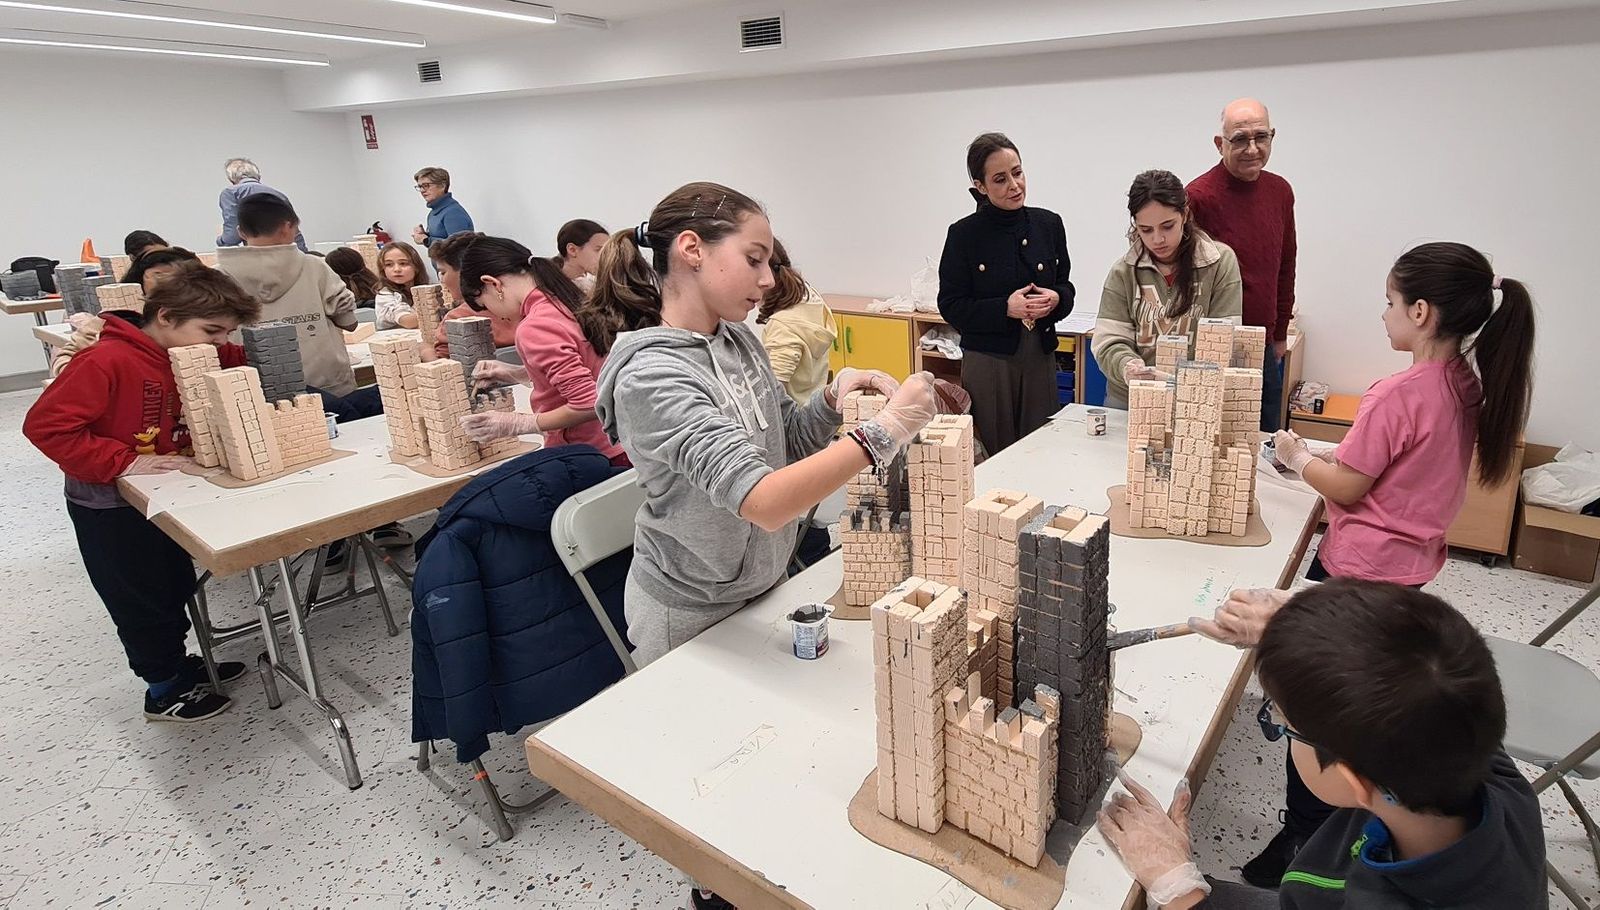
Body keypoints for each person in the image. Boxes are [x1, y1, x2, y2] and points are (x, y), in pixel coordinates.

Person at [1250, 242, 1536, 885]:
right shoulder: (1466, 382)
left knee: (1318, 708)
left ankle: (1301, 838)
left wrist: (1296, 455)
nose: (1382, 315)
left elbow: (1348, 487)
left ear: (1423, 311)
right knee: (1366, 699)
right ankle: (1341, 825)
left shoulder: (1398, 392)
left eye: (1388, 302)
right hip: (1410, 571)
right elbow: (1388, 467)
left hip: (1359, 566)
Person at [590, 181, 933, 667]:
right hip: (691, 613)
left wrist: (832, 399)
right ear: (692, 250)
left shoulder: (739, 341)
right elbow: (763, 502)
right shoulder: (651, 378)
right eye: (755, 260)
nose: (770, 279)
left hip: (764, 586)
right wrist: (887, 429)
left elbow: (786, 439)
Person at [1098, 580, 1546, 909]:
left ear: (1353, 780)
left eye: (1281, 724)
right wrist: (1306, 628)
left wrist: (1177, 886)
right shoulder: (1475, 758)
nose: (1278, 725)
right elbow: (1419, 655)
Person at [23, 269, 262, 722]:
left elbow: (230, 354)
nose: (218, 343)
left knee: (172, 584)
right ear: (167, 317)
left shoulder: (184, 350)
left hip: (159, 497)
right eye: (212, 331)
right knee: (139, 598)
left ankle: (179, 664)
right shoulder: (106, 361)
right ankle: (163, 688)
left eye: (226, 333)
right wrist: (123, 462)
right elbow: (45, 427)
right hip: (109, 506)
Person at [938, 132, 1074, 456]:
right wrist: (1005, 308)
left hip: (1039, 355)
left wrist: (1056, 299)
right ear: (980, 186)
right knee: (995, 455)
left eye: (1018, 172)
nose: (1015, 185)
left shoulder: (1048, 224)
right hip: (988, 361)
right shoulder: (963, 235)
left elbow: (1066, 286)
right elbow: (951, 305)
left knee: (1040, 448)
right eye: (1000, 179)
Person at [454, 236, 629, 466]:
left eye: (485, 305)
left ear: (493, 284)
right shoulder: (567, 300)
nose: (497, 315)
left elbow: (588, 403)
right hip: (622, 443)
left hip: (592, 456)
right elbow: (588, 367)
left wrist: (521, 423)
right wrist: (518, 372)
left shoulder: (535, 326)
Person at [1186, 99, 1295, 431]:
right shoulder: (1198, 196)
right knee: (1212, 439)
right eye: (1240, 139)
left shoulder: (1280, 191)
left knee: (1263, 440)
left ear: (1272, 137)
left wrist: (1278, 335)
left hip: (1263, 345)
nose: (1252, 148)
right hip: (1213, 348)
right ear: (1220, 144)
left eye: (1261, 137)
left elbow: (1285, 264)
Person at [1093, 170, 1242, 407]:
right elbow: (1108, 342)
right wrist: (1127, 366)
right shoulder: (1123, 272)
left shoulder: (1219, 262)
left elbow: (1223, 343)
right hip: (1131, 399)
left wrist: (1185, 384)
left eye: (1167, 226)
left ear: (1184, 215)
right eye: (1146, 230)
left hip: (1195, 399)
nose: (1158, 239)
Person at [51, 248, 204, 377]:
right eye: (160, 275)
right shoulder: (118, 315)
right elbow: (65, 358)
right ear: (140, 279)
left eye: (181, 277)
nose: (169, 283)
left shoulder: (207, 318)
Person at [757, 237, 836, 405]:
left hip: (795, 422)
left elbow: (776, 390)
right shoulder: (810, 297)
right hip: (815, 408)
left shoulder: (782, 325)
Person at [426, 231, 517, 360]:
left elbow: (445, 367)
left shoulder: (458, 318)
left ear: (464, 272)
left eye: (443, 272)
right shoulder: (526, 303)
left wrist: (425, 351)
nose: (442, 280)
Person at [216, 157, 306, 251]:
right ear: (258, 175)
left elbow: (233, 235)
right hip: (289, 253)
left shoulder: (231, 193)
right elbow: (294, 229)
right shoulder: (278, 194)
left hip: (260, 255)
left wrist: (221, 241)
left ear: (231, 179)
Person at [411, 167, 474, 248]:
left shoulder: (453, 212)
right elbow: (443, 237)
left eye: (426, 185)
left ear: (442, 186)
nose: (422, 190)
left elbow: (459, 247)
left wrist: (426, 240)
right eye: (420, 187)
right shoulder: (433, 213)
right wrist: (424, 235)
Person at [374, 241, 430, 329]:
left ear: (416, 267)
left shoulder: (424, 290)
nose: (396, 269)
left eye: (403, 263)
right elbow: (408, 322)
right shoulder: (385, 294)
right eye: (389, 265)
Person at [554, 219, 609, 295]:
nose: (607, 256)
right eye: (598, 250)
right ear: (572, 250)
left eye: (607, 251)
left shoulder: (600, 287)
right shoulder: (552, 291)